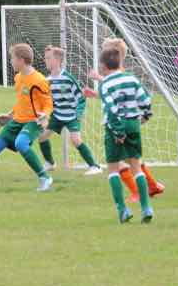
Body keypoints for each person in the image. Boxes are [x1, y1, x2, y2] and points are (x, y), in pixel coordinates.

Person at [85, 38, 165, 202]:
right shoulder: (123, 75)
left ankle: (137, 192)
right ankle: (152, 186)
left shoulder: (119, 73)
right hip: (130, 121)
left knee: (120, 162)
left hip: (119, 123)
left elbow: (114, 91)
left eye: (104, 50)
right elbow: (115, 96)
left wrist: (99, 79)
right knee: (132, 159)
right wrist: (95, 94)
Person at [0, 43, 53, 191]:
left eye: (12, 58)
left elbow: (48, 103)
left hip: (34, 122)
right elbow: (22, 102)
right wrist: (9, 115)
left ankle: (45, 178)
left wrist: (45, 115)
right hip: (17, 121)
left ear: (21, 60)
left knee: (21, 143)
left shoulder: (39, 80)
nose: (11, 61)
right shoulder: (18, 78)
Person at [98, 46, 154, 224]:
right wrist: (145, 115)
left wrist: (118, 132)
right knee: (136, 166)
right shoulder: (132, 78)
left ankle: (123, 210)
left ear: (103, 65)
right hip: (133, 124)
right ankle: (146, 208)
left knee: (113, 169)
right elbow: (145, 100)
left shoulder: (105, 84)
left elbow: (111, 109)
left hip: (115, 127)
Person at [37, 45, 102, 175]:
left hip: (72, 115)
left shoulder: (68, 78)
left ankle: (95, 166)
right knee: (42, 136)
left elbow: (81, 98)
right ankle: (50, 163)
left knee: (75, 140)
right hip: (57, 115)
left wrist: (78, 114)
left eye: (48, 58)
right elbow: (47, 101)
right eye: (45, 58)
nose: (46, 61)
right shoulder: (47, 81)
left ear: (57, 60)